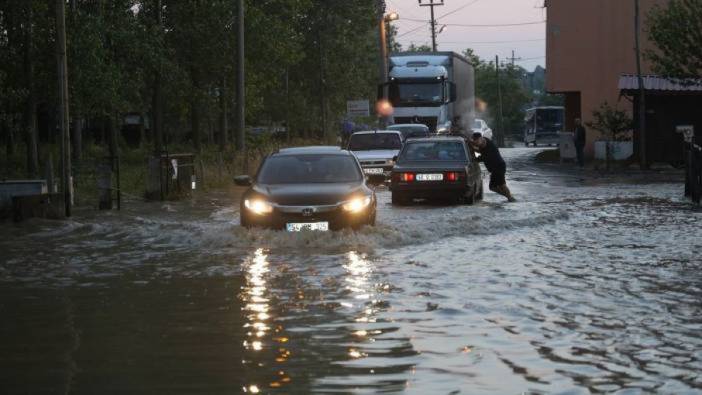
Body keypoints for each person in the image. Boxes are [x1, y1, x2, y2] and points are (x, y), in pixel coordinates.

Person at [469, 132, 516, 202]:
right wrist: (471, 145)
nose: (476, 142)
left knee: (502, 185)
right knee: (492, 188)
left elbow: (482, 157)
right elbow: (479, 149)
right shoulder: (483, 144)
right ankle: (509, 197)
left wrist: (473, 159)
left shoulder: (487, 146)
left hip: (499, 166)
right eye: (475, 140)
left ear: (481, 138)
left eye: (477, 140)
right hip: (494, 169)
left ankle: (510, 197)